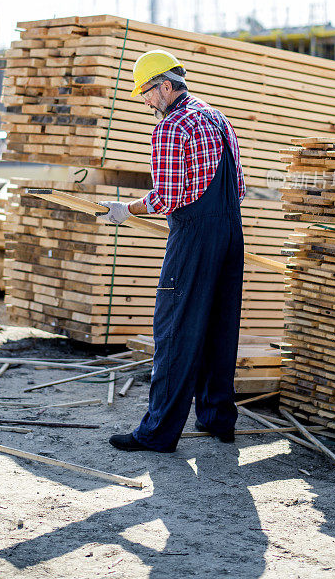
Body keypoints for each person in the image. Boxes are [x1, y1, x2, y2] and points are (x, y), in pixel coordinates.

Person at [97, 49, 245, 452]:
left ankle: (157, 433)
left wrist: (126, 210)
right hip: (232, 233)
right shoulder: (217, 118)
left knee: (175, 330)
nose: (145, 101)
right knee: (220, 328)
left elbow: (165, 197)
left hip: (194, 237)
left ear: (165, 85)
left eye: (146, 92)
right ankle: (218, 420)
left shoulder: (171, 127)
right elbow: (240, 188)